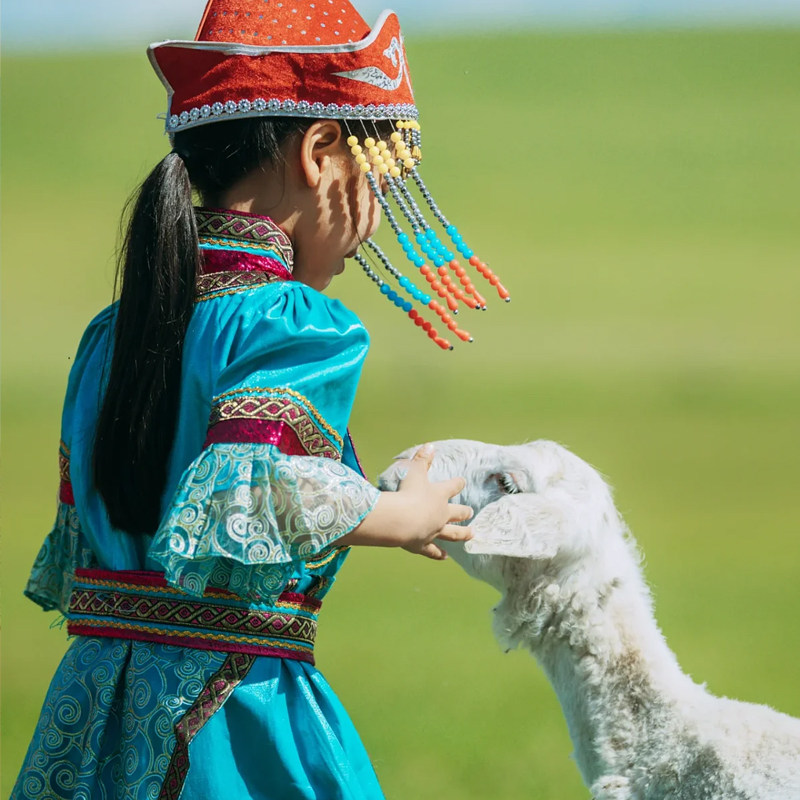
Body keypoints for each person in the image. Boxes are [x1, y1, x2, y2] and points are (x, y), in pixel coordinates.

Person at [12, 2, 507, 798]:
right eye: (376, 177)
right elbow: (263, 488)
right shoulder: (293, 324)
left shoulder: (112, 333)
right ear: (319, 152)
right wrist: (402, 516)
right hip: (234, 715)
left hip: (98, 710)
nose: (372, 216)